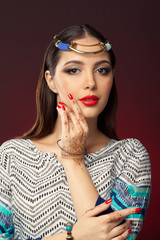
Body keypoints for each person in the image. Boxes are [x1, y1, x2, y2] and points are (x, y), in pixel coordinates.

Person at [0, 24, 151, 240]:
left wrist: (73, 159)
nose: (90, 83)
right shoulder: (12, 155)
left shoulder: (130, 155)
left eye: (102, 70)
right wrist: (74, 236)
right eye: (73, 70)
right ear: (51, 81)